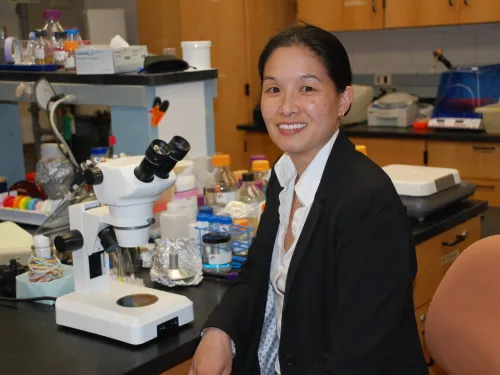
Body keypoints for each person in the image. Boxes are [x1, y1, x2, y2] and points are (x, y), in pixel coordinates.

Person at [189, 24, 429, 375]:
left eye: (307, 88)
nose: (287, 107)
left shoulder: (368, 201)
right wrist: (219, 331)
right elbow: (256, 272)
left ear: (343, 100)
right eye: (274, 89)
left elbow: (357, 357)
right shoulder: (285, 175)